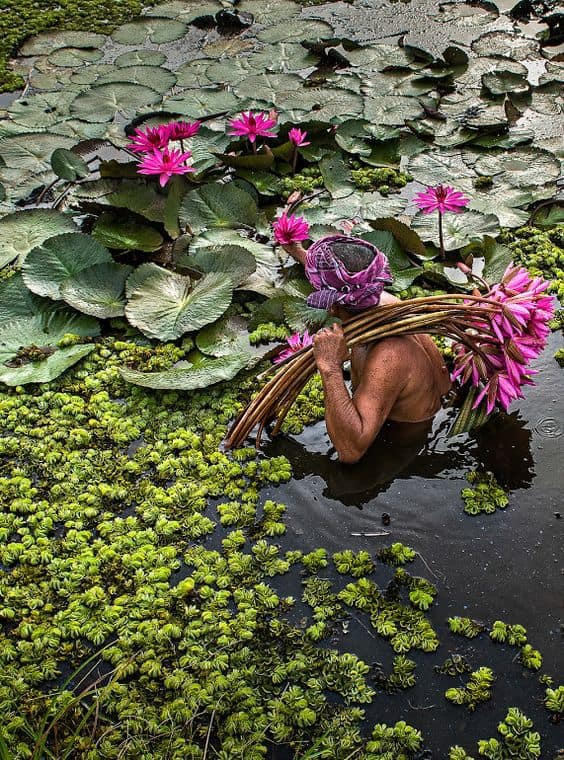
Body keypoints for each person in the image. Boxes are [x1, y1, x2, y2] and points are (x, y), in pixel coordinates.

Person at [282, 234, 452, 464]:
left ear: (332, 305)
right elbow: (344, 280)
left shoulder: (388, 356)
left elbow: (350, 451)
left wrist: (330, 367)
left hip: (401, 443)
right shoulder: (383, 300)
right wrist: (298, 251)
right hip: (426, 409)